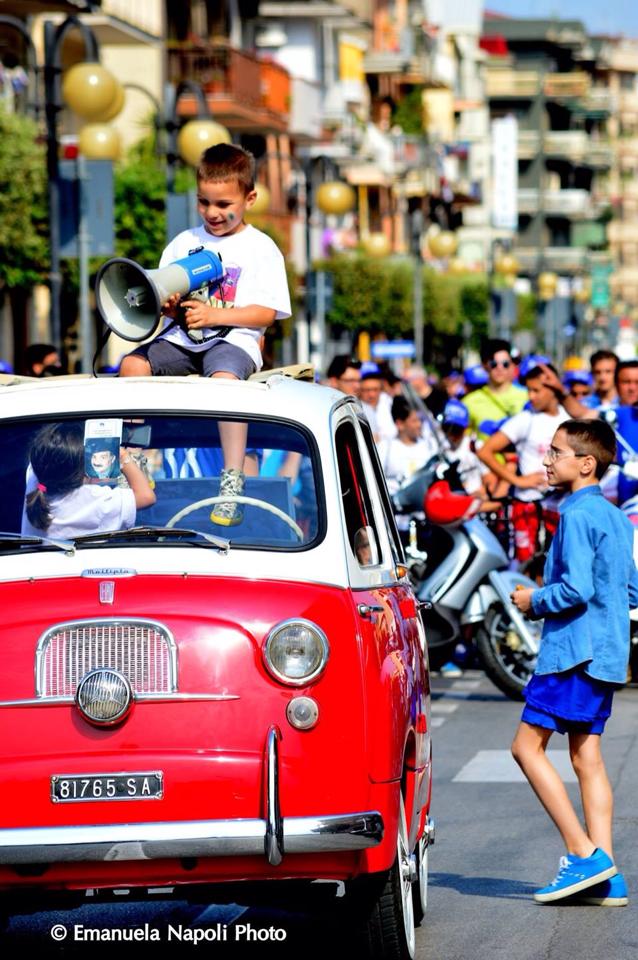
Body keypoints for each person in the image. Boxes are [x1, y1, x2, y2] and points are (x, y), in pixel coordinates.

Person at [119, 143, 291, 527]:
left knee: (225, 382)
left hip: (234, 340)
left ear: (249, 199)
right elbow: (166, 294)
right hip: (181, 339)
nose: (212, 212)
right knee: (132, 365)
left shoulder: (261, 249)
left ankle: (232, 480)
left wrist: (215, 314)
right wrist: (167, 307)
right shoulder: (183, 243)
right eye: (203, 202)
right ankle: (135, 460)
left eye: (223, 204)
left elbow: (266, 313)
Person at [510, 419, 638, 905]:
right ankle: (608, 876)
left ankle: (584, 855)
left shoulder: (576, 515)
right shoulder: (615, 517)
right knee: (587, 758)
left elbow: (576, 589)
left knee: (526, 748)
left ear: (586, 464)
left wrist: (534, 600)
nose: (546, 460)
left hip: (573, 653)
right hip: (605, 654)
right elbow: (630, 590)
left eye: (555, 452)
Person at [477, 362, 569, 565]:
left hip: (560, 505)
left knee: (557, 565)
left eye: (536, 390)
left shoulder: (568, 418)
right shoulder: (525, 419)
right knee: (525, 566)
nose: (531, 396)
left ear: (552, 388)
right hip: (527, 505)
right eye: (528, 390)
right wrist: (517, 480)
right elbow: (485, 451)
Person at [21, 423, 156, 541]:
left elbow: (44, 459)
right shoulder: (95, 499)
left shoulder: (35, 488)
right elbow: (147, 496)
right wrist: (122, 455)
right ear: (84, 467)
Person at [462, 339, 527, 446]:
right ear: (484, 366)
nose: (499, 368)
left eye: (505, 364)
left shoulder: (527, 396)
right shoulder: (469, 401)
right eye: (493, 364)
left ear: (512, 365)